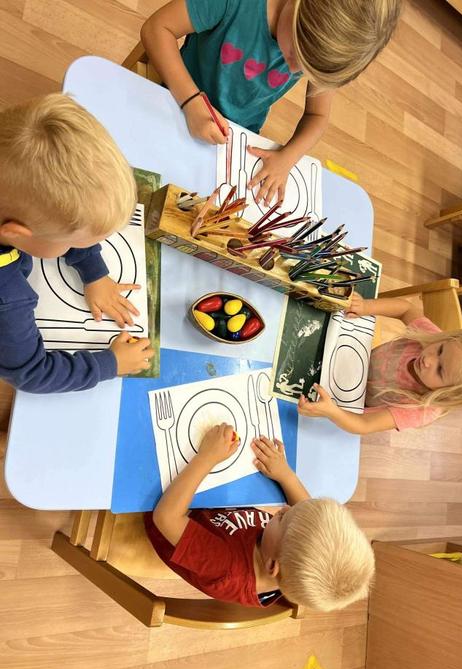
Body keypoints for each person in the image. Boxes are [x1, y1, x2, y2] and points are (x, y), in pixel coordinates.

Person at [141, 0, 401, 205]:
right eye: (294, 54)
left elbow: (318, 116)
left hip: (233, 139)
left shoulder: (320, 46)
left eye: (305, 71)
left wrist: (287, 158)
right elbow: (157, 29)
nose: (292, 69)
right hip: (175, 99)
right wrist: (190, 101)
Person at [0, 93, 154, 393]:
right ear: (17, 234)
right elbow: (32, 373)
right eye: (74, 242)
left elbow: (71, 213)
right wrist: (110, 364)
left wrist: (94, 272)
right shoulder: (8, 300)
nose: (82, 246)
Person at [145, 424, 375, 610]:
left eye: (283, 519)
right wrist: (285, 475)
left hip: (168, 515)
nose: (285, 509)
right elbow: (304, 508)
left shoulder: (226, 568)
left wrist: (207, 457)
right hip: (213, 510)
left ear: (273, 565)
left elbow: (166, 517)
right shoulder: (284, 560)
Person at [298, 293, 462, 433]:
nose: (428, 360)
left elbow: (364, 425)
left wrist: (332, 412)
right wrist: (366, 307)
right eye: (441, 350)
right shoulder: (431, 337)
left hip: (340, 399)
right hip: (345, 357)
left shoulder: (421, 410)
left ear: (450, 394)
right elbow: (406, 308)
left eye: (440, 370)